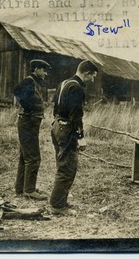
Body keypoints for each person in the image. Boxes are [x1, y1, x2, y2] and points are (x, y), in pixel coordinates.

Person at [50, 60, 98, 215]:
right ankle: (58, 206)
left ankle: (60, 201)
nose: (92, 80)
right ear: (86, 73)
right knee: (67, 168)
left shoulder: (63, 83)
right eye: (92, 76)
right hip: (68, 130)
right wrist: (80, 136)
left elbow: (55, 109)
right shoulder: (77, 88)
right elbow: (76, 116)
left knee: (62, 165)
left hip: (57, 126)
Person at [13, 59, 52, 200]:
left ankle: (20, 188)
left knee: (25, 157)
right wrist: (29, 109)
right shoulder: (29, 81)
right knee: (34, 158)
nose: (45, 73)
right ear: (36, 69)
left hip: (28, 123)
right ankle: (29, 190)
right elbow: (17, 91)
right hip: (28, 122)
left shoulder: (34, 82)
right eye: (43, 70)